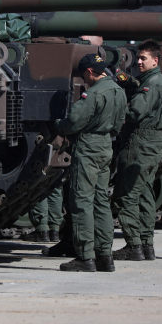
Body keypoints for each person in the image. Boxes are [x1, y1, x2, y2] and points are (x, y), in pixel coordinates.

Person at [43, 54, 126, 272]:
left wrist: (59, 125)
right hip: (106, 145)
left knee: (82, 201)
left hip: (88, 146)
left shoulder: (93, 93)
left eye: (83, 75)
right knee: (101, 201)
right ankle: (105, 256)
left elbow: (74, 122)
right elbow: (119, 123)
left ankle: (85, 256)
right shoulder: (118, 90)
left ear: (89, 72)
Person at [111, 40, 162, 261]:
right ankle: (146, 244)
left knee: (125, 194)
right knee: (145, 193)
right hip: (152, 141)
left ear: (155, 60)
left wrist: (113, 109)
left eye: (143, 58)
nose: (138, 62)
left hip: (141, 141)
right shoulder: (155, 81)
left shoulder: (151, 85)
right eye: (138, 58)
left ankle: (133, 245)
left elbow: (135, 112)